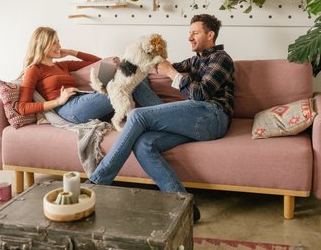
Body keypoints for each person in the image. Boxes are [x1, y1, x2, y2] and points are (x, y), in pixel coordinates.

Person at [88, 14, 234, 222]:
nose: (189, 37)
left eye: (195, 32)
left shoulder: (221, 59)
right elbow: (158, 66)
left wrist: (172, 74)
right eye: (189, 32)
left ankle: (97, 182)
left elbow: (201, 94)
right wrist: (126, 66)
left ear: (210, 35)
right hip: (194, 122)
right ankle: (184, 205)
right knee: (144, 145)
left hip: (213, 116)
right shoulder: (195, 61)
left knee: (138, 115)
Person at [17, 27, 159, 124]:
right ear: (42, 44)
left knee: (135, 75)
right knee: (127, 83)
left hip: (84, 99)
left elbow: (98, 62)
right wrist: (59, 101)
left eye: (58, 41)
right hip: (70, 109)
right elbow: (23, 107)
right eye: (54, 42)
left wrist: (72, 52)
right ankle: (163, 114)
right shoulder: (34, 69)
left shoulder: (62, 65)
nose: (59, 46)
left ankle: (159, 115)